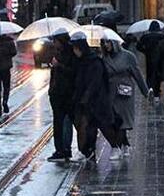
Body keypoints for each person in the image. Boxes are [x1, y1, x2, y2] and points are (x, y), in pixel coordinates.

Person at [101, 37, 151, 160]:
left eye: (108, 42)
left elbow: (137, 74)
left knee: (123, 119)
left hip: (124, 90)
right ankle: (125, 144)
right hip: (110, 92)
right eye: (103, 43)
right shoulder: (104, 58)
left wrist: (145, 91)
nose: (106, 45)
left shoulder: (128, 56)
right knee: (114, 119)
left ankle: (117, 147)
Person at [69, 32, 114, 162]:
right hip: (84, 101)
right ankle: (88, 151)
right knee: (88, 127)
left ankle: (116, 146)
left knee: (102, 126)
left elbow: (95, 82)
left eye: (76, 48)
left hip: (96, 101)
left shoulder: (95, 62)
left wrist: (86, 98)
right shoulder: (80, 62)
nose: (74, 51)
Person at [47, 29, 76, 162]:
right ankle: (59, 149)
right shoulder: (57, 54)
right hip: (56, 94)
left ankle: (65, 149)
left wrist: (59, 66)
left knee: (65, 122)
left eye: (56, 41)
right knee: (58, 122)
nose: (54, 43)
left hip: (67, 94)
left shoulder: (71, 54)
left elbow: (73, 73)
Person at [137, 21, 164, 103]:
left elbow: (138, 46)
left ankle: (150, 88)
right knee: (158, 75)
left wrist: (145, 51)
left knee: (149, 74)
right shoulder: (162, 36)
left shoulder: (145, 37)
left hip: (149, 57)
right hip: (160, 58)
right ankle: (157, 92)